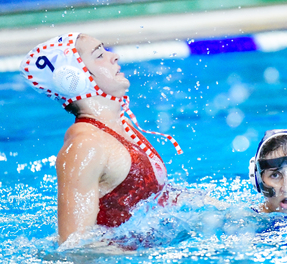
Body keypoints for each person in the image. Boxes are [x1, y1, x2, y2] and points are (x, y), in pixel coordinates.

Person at [20, 33, 182, 244]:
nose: (113, 57)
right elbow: (76, 249)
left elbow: (157, 199)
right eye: (99, 55)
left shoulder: (120, 127)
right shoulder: (85, 146)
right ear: (74, 78)